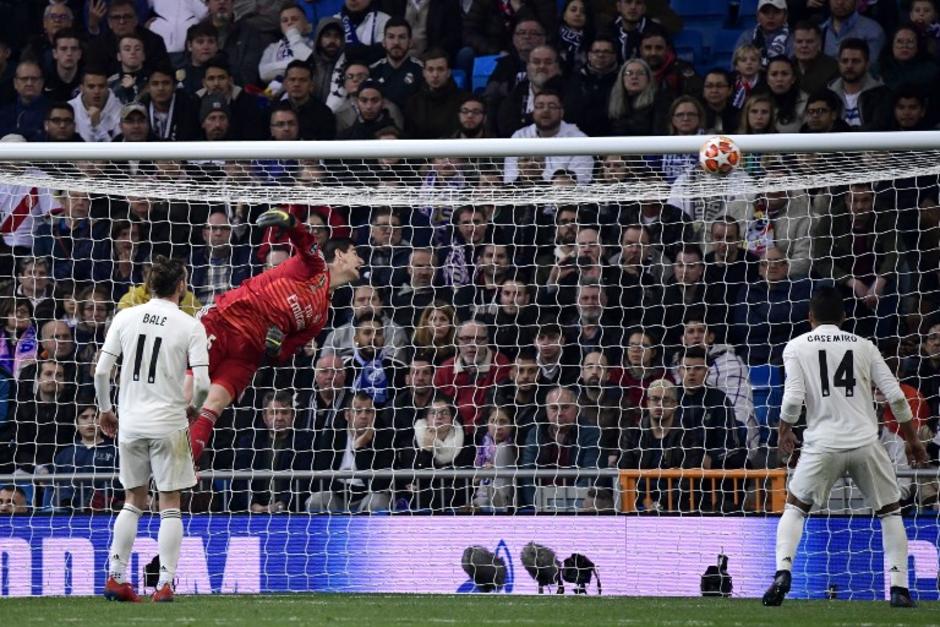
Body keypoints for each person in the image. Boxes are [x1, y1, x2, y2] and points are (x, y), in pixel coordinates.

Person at [762, 286, 927, 608]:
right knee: (890, 511)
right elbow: (895, 395)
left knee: (795, 507)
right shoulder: (864, 346)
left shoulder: (796, 346)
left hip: (823, 443)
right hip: (866, 441)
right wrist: (913, 441)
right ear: (844, 317)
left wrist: (785, 430)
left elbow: (793, 397)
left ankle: (783, 571)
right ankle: (899, 588)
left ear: (809, 317)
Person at [188, 210, 363, 463]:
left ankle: (180, 471)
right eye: (356, 254)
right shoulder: (314, 267)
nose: (362, 261)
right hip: (225, 322)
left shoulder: (320, 317)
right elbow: (305, 241)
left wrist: (275, 348)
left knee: (212, 407)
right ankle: (153, 459)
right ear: (338, 255)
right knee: (188, 398)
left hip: (248, 354)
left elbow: (285, 352)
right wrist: (290, 220)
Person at [94, 256, 210, 603]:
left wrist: (104, 410)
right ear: (181, 286)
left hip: (130, 422)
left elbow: (102, 373)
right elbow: (202, 383)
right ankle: (165, 585)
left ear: (149, 287)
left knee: (133, 500)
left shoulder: (125, 317)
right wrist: (194, 409)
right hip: (169, 424)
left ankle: (116, 577)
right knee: (170, 503)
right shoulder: (190, 325)